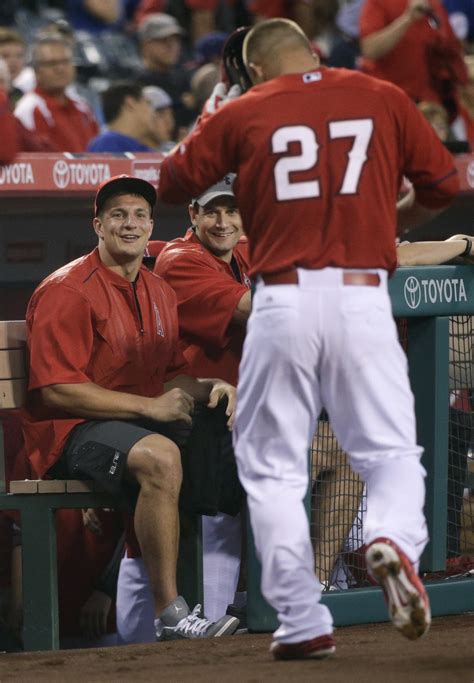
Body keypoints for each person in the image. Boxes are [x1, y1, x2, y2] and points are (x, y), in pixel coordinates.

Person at [156, 18, 460, 659]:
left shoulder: (249, 106)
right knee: (390, 451)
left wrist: (229, 116)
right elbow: (446, 187)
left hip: (282, 300)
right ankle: (395, 542)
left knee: (271, 467)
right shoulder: (381, 95)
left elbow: (172, 183)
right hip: (361, 295)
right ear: (313, 51)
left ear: (256, 71)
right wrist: (384, 217)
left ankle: (301, 618)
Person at [22, 174, 240, 642]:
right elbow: (55, 391)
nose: (131, 223)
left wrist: (214, 386)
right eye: (118, 215)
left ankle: (234, 595)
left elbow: (173, 375)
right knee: (160, 455)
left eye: (140, 215)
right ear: (98, 224)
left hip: (133, 422)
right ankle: (171, 614)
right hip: (70, 432)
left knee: (236, 437)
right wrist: (149, 408)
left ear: (150, 225)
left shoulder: (158, 289)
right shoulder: (68, 290)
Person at [115, 176, 250, 643]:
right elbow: (259, 308)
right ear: (192, 214)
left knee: (321, 447)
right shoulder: (182, 260)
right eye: (213, 211)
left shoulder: (242, 257)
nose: (223, 221)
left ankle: (307, 581)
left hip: (212, 414)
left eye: (233, 211)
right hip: (182, 420)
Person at [359, 0, 469, 122]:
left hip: (433, 105)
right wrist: (408, 18)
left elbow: (452, 50)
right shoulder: (378, 3)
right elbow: (370, 49)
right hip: (394, 105)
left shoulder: (434, 4)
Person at [14, 35, 99, 153]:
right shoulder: (28, 109)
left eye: (65, 62)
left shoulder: (83, 108)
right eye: (52, 63)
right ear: (36, 71)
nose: (60, 69)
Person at [87, 81, 157, 152]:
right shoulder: (107, 144)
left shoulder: (142, 148)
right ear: (130, 103)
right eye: (148, 104)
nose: (154, 113)